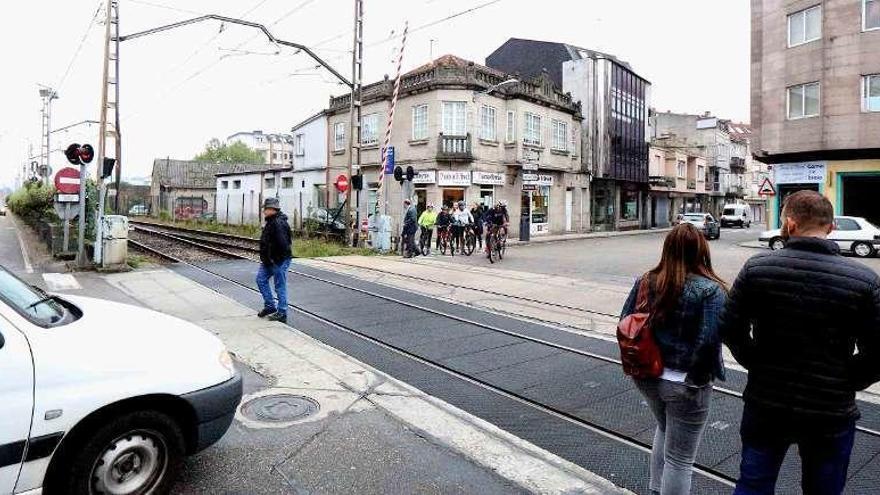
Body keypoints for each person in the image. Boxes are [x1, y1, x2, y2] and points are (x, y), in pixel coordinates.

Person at [720, 190, 880, 495]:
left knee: (754, 484)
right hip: (830, 410)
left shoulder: (758, 268)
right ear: (831, 227)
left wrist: (756, 363)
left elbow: (729, 328)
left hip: (767, 402)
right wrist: (847, 380)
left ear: (790, 225)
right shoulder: (864, 279)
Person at [620, 223, 727, 495]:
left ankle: (656, 490)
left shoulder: (647, 280)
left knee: (665, 429)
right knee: (680, 459)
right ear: (702, 250)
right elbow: (709, 341)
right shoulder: (710, 290)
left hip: (646, 375)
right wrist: (697, 379)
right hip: (685, 383)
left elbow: (624, 322)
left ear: (667, 249)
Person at [257, 197, 293, 323]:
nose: (263, 212)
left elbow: (283, 245)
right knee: (261, 280)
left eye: (265, 209)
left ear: (272, 209)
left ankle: (282, 312)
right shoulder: (271, 221)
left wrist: (275, 260)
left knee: (279, 286)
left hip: (278, 260)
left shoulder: (278, 223)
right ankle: (270, 306)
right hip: (269, 260)